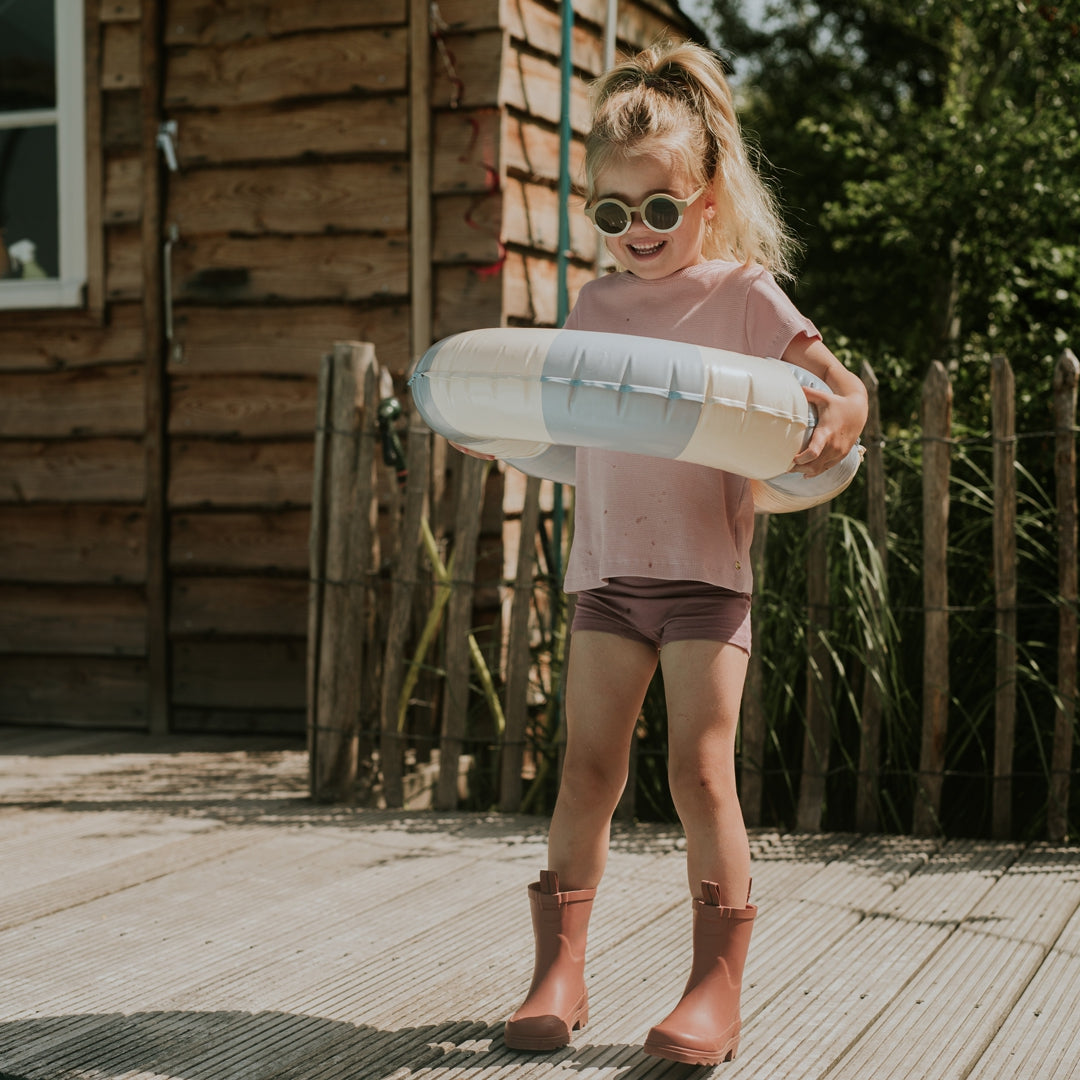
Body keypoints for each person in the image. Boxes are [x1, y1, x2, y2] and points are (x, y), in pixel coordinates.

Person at [467, 40, 868, 1066]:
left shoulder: (744, 294)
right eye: (611, 212)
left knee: (700, 775)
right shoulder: (596, 307)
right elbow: (564, 427)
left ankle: (713, 989)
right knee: (586, 772)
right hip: (608, 578)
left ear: (705, 201)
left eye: (657, 206)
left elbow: (841, 387)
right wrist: (491, 426)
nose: (635, 231)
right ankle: (559, 974)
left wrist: (845, 416)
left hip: (704, 582)